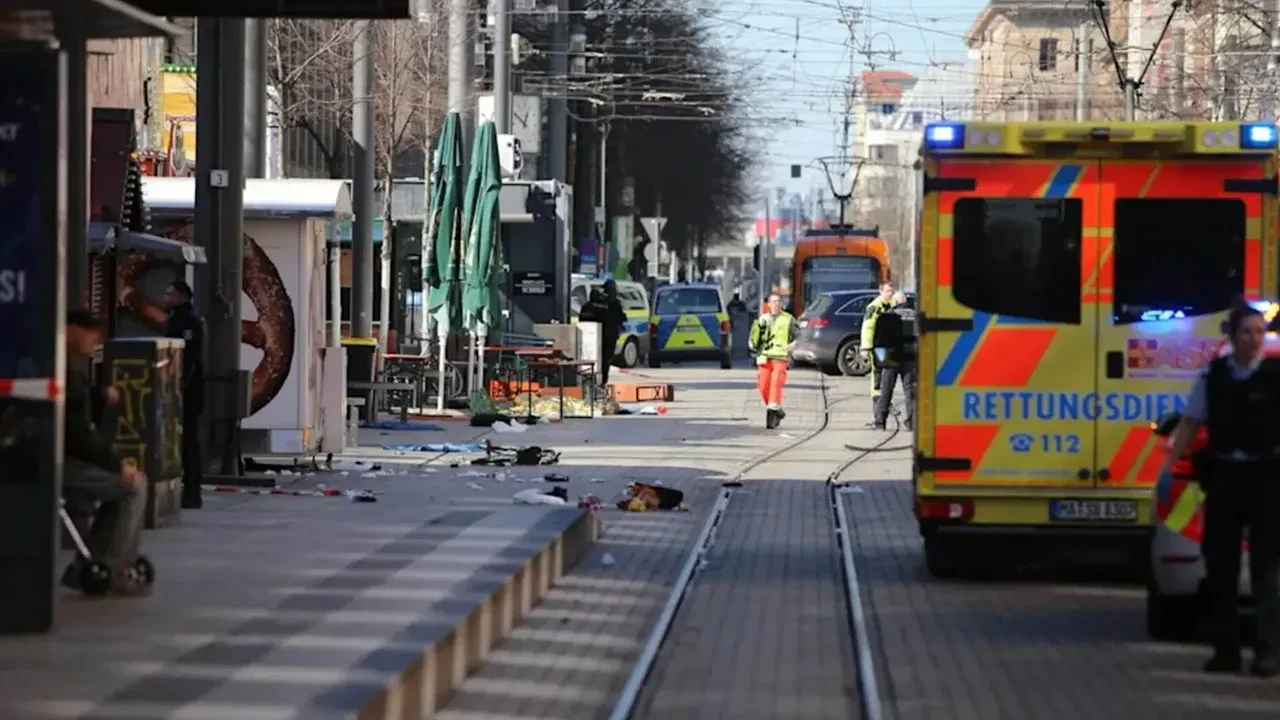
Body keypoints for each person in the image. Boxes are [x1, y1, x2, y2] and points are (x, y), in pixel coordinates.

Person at [1163, 304, 1280, 677]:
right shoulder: (1214, 375)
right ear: (1232, 336)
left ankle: (1267, 652)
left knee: (1267, 571)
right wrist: (1169, 466)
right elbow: (1190, 422)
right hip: (1226, 476)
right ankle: (1225, 652)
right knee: (1220, 569)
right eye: (1247, 332)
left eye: (1260, 332)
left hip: (1267, 476)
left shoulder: (1276, 374)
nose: (1254, 339)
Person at [62, 309, 149, 595]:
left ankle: (94, 561)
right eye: (92, 334)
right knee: (133, 486)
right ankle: (114, 567)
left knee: (124, 486)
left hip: (57, 456)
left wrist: (98, 396)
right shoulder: (64, 368)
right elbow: (78, 435)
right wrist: (116, 464)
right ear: (72, 330)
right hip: (60, 462)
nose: (95, 342)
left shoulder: (68, 367)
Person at [164, 280, 207, 510]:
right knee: (183, 441)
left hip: (188, 392)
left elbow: (190, 359)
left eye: (170, 293)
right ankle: (186, 488)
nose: (166, 297)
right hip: (182, 390)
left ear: (181, 296)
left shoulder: (189, 321)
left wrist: (180, 387)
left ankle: (192, 491)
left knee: (189, 442)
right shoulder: (177, 318)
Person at [749, 293, 795, 428]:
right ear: (768, 304)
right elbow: (754, 336)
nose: (776, 304)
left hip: (780, 357)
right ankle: (777, 411)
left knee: (776, 382)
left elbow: (798, 336)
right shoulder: (762, 319)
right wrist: (752, 345)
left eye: (778, 302)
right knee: (763, 386)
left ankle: (773, 413)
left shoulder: (789, 319)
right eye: (773, 302)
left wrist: (792, 346)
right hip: (764, 357)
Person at [871, 291, 916, 430]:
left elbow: (878, 340)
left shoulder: (886, 316)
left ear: (895, 302)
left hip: (891, 358)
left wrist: (879, 363)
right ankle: (912, 422)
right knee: (910, 391)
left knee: (886, 390)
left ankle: (880, 420)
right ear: (906, 302)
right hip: (911, 358)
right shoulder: (915, 316)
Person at [859, 282, 897, 422]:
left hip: (886, 347)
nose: (890, 294)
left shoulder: (889, 306)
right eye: (888, 291)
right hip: (877, 347)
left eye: (892, 291)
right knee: (878, 377)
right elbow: (868, 327)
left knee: (885, 377)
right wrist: (866, 347)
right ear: (880, 291)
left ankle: (882, 408)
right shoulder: (875, 307)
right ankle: (879, 411)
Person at [579, 279, 626, 386]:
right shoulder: (612, 305)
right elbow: (621, 318)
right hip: (607, 337)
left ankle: (595, 382)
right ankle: (602, 382)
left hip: (596, 338)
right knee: (605, 361)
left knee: (595, 361)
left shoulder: (591, 306)